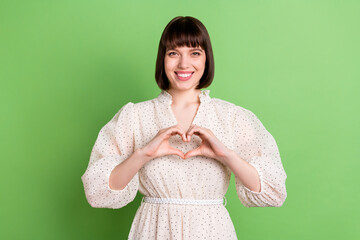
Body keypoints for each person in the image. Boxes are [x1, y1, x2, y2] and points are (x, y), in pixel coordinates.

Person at [81, 16, 287, 239]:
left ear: (207, 59)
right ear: (162, 59)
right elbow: (98, 193)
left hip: (212, 231)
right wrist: (143, 154)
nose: (183, 64)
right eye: (173, 53)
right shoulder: (134, 117)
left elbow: (273, 193)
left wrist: (226, 155)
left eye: (195, 53)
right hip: (154, 230)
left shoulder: (232, 117)